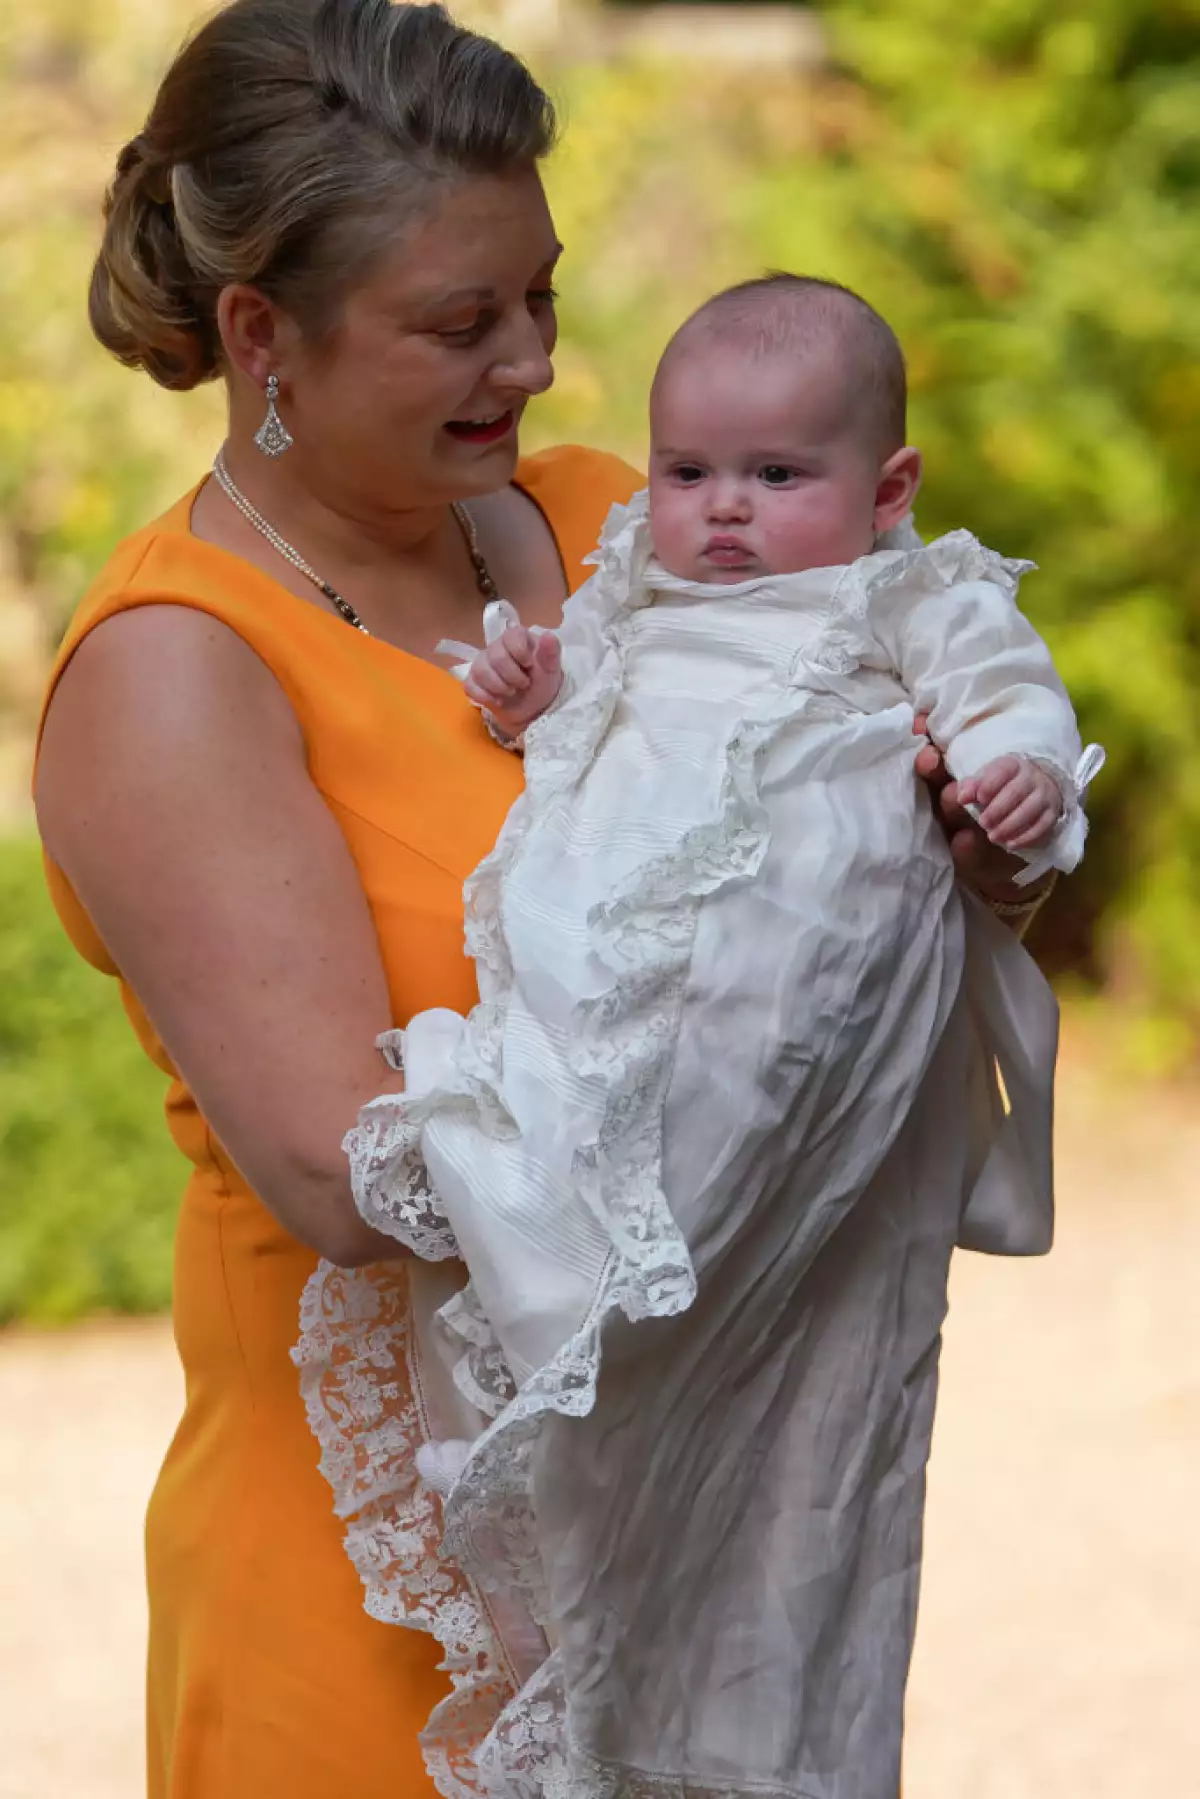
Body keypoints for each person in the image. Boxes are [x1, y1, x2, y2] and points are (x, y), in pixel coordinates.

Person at [29, 2, 1055, 1795]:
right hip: (376, 1609)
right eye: (460, 323)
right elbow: (351, 1182)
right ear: (261, 334)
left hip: (694, 1544)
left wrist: (959, 844)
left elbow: (856, 826)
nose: (537, 366)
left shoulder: (626, 527)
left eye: (544, 296)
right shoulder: (179, 674)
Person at [313, 276, 1101, 1799]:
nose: (722, 512)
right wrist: (538, 692)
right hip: (621, 972)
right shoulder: (635, 582)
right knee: (574, 1127)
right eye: (690, 473)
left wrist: (1019, 783)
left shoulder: (906, 596)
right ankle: (560, 1262)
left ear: (889, 492)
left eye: (776, 478)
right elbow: (584, 722)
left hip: (792, 1003)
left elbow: (1005, 696)